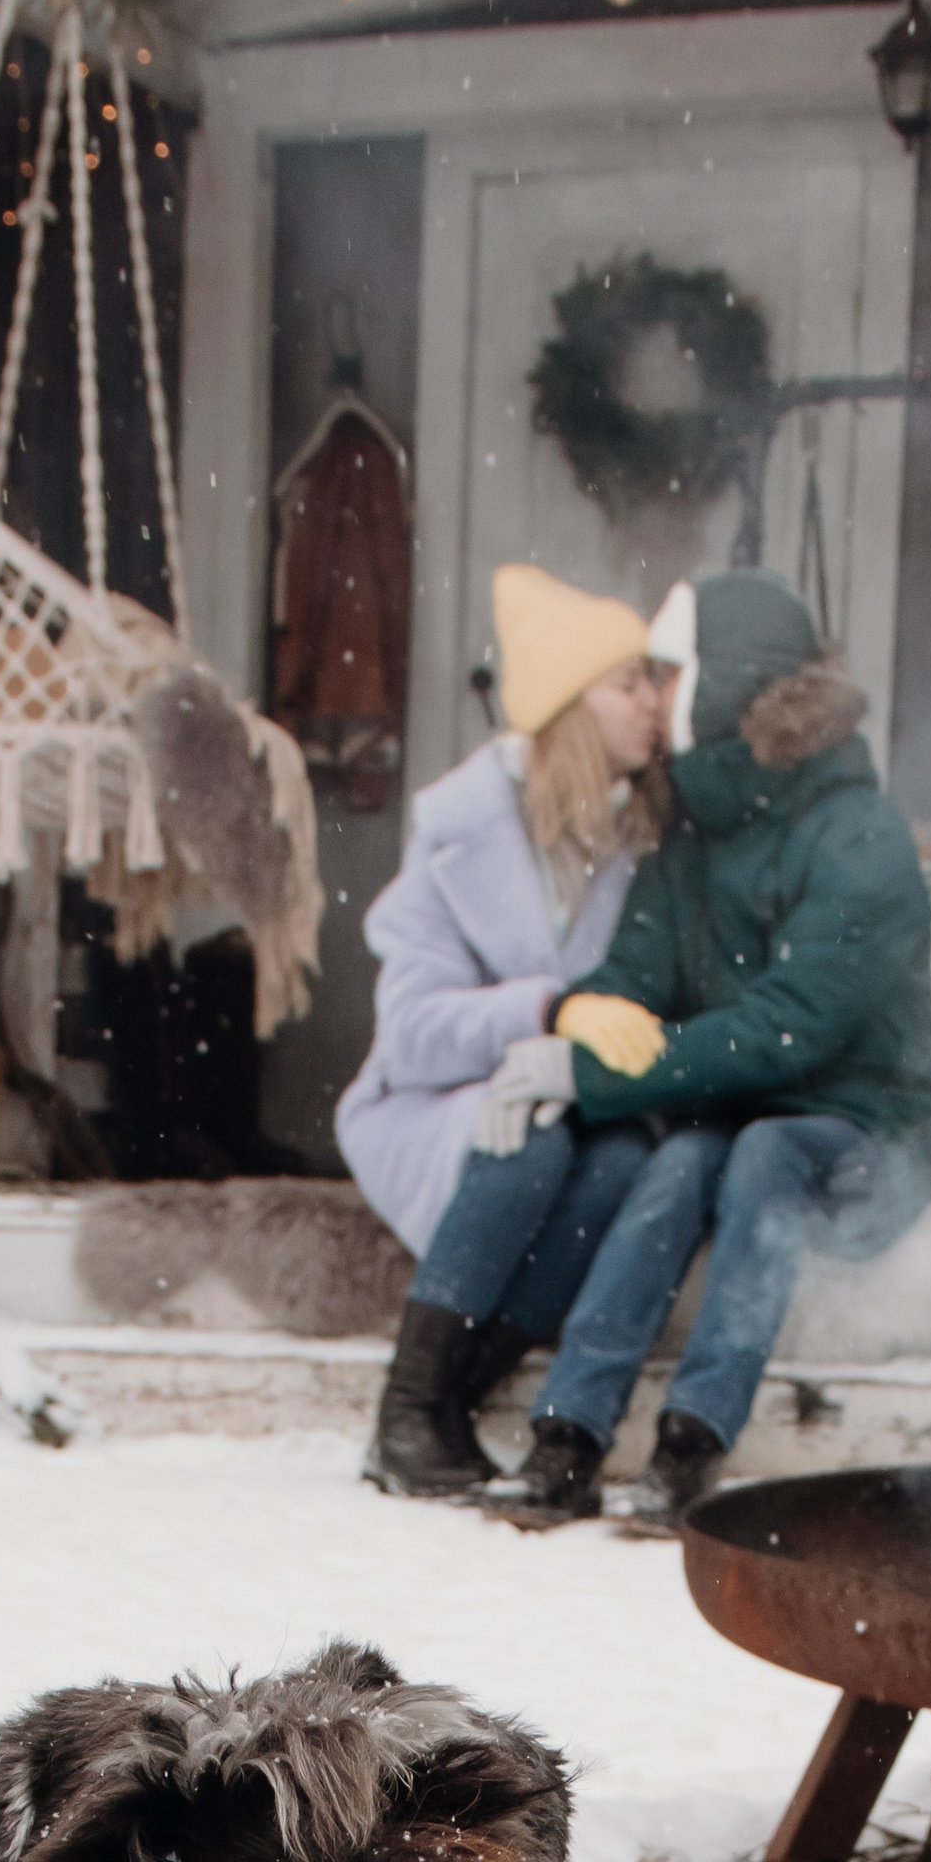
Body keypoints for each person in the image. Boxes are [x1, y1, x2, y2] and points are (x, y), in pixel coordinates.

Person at [489, 570, 931, 1535]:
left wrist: (596, 1075)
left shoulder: (861, 836)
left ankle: (691, 1439)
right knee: (679, 1161)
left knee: (762, 1151)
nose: (656, 699)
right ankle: (569, 1436)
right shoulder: (692, 834)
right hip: (745, 1122)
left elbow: (793, 1026)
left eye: (670, 675)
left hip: (875, 1131)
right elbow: (635, 972)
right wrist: (580, 1021)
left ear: (729, 682)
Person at [341, 565, 670, 1499]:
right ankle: (405, 1411)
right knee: (527, 1136)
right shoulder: (461, 836)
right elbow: (412, 1032)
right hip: (433, 1102)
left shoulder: (644, 835)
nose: (654, 703)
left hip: (579, 1099)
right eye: (629, 683)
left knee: (619, 1163)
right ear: (570, 707)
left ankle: (455, 1397)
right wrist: (545, 1014)